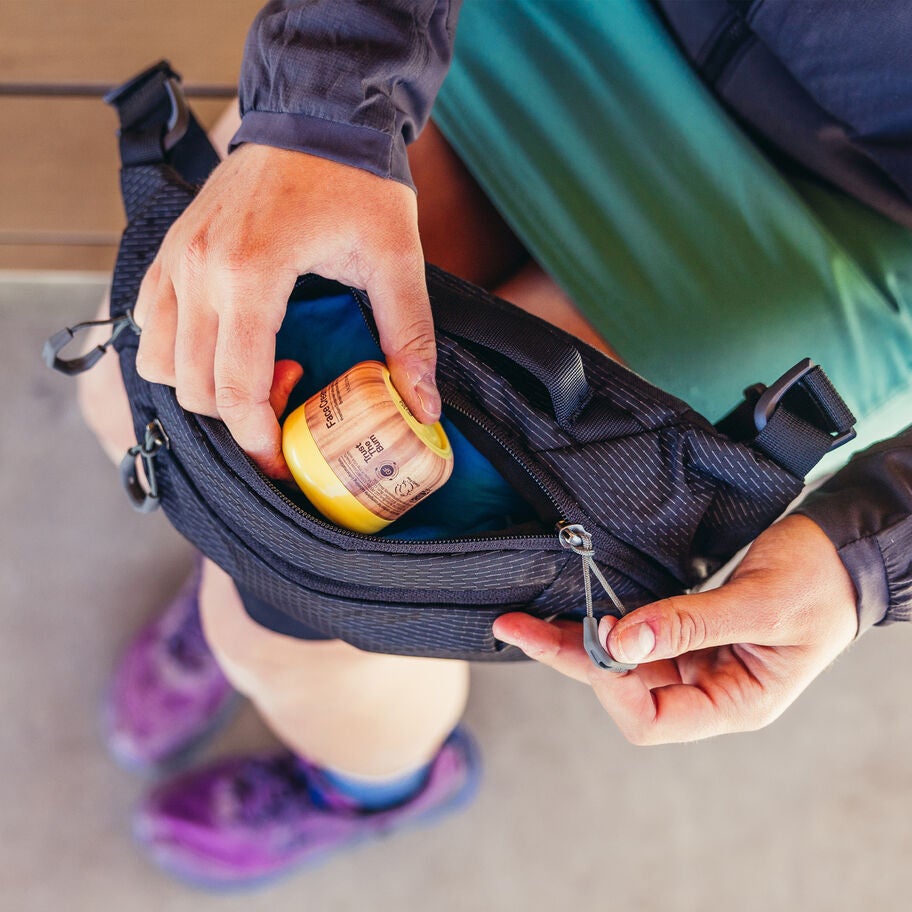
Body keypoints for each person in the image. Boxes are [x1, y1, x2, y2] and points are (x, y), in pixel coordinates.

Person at [78, 0, 912, 886]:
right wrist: (317, 110)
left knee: (282, 636)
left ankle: (377, 785)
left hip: (835, 229)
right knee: (137, 388)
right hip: (524, 25)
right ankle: (240, 544)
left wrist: (875, 555)